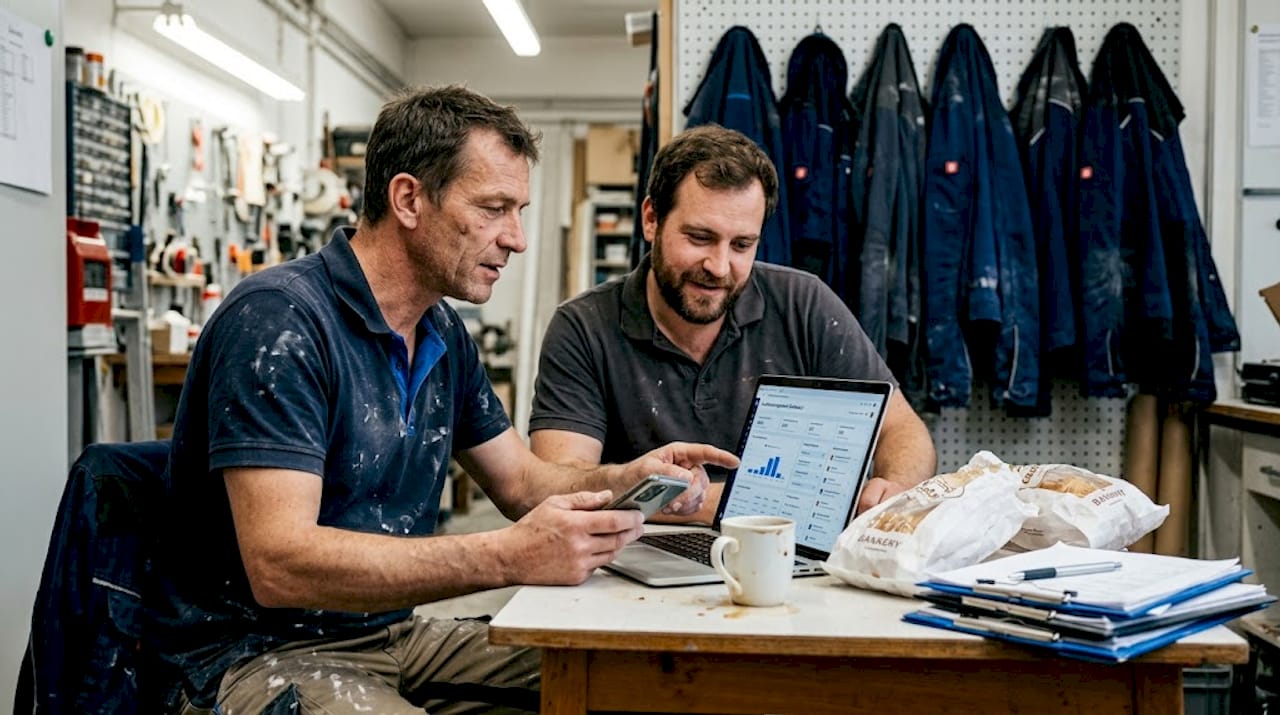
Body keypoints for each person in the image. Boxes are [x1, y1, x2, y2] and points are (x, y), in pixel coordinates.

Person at [147, 86, 738, 715]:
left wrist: (627, 478)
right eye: (493, 208)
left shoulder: (439, 330)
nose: (517, 238)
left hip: (389, 633)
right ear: (408, 199)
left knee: (637, 675)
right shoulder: (280, 322)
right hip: (253, 655)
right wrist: (506, 556)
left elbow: (519, 481)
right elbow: (281, 564)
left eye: (520, 210)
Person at [529, 125, 936, 522]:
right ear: (651, 219)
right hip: (631, 565)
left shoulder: (804, 303)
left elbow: (903, 430)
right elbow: (560, 488)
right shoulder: (582, 326)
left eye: (742, 245)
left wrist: (895, 486)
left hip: (783, 558)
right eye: (700, 238)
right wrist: (779, 502)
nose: (719, 266)